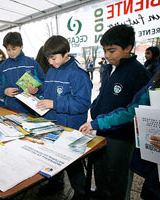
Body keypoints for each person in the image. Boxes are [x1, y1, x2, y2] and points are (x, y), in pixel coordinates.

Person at [83, 24, 150, 200]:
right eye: (105, 50)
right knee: (101, 170)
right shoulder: (107, 68)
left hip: (122, 135)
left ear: (128, 48)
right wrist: (95, 107)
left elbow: (134, 111)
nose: (107, 55)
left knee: (119, 176)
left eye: (112, 50)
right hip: (102, 128)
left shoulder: (138, 73)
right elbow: (103, 93)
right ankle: (101, 193)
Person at [79, 71, 160, 200]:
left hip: (124, 138)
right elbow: (132, 111)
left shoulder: (138, 72)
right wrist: (96, 123)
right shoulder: (156, 79)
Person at [36, 35, 92, 200]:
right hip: (53, 124)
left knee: (72, 163)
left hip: (70, 127)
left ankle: (81, 193)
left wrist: (54, 104)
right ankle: (55, 183)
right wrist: (37, 95)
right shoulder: (52, 70)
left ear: (66, 52)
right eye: (48, 58)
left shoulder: (78, 73)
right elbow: (48, 95)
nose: (50, 62)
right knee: (53, 157)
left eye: (53, 58)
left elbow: (82, 103)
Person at [0, 32, 45, 114]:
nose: (11, 53)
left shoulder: (32, 63)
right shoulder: (3, 67)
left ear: (21, 46)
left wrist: (37, 89)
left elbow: (43, 81)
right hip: (11, 108)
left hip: (31, 108)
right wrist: (4, 91)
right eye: (8, 50)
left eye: (14, 49)